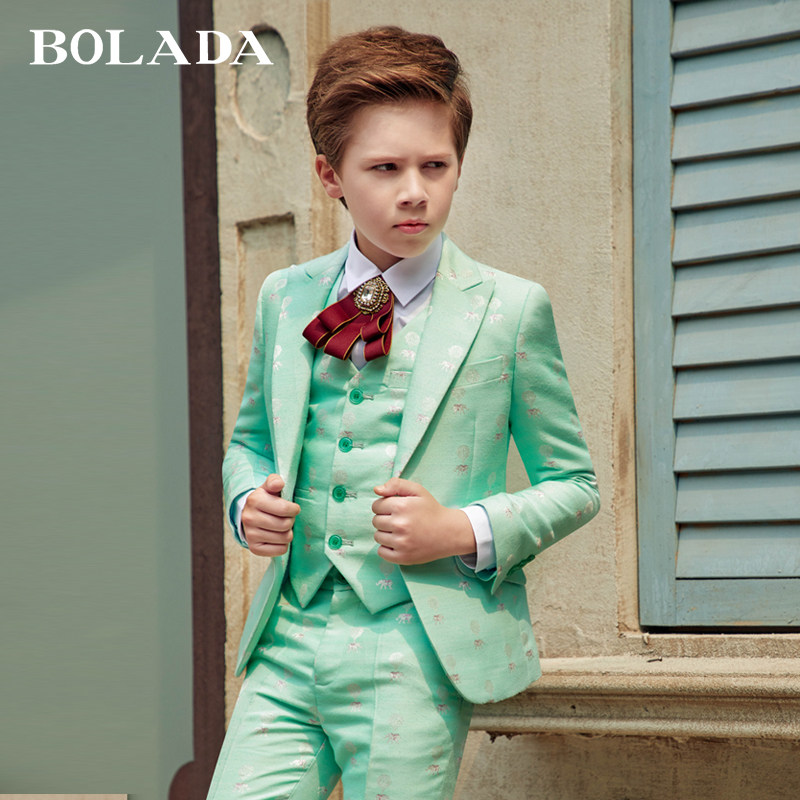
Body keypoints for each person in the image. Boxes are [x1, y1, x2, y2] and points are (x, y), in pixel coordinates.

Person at [208, 25, 599, 800]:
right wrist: (245, 500)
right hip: (288, 638)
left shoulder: (510, 310)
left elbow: (575, 484)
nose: (414, 190)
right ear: (330, 175)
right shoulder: (285, 296)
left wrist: (461, 528)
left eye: (435, 165)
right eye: (385, 167)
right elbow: (249, 442)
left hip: (415, 648)